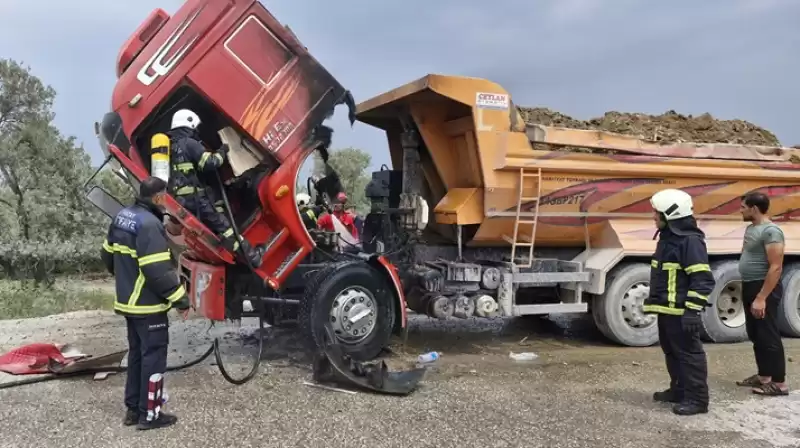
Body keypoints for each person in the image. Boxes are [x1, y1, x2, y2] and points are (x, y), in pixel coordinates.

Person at [100, 176, 190, 430]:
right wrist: (180, 300)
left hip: (129, 303)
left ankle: (133, 409)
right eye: (165, 197)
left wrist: (125, 278)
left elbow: (107, 254)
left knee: (138, 356)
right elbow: (157, 271)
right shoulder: (150, 225)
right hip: (148, 306)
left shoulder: (122, 217)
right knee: (153, 359)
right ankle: (150, 415)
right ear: (159, 197)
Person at [643, 188, 716, 416]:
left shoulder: (690, 242)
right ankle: (680, 390)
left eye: (657, 213)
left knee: (689, 355)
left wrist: (692, 311)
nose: (653, 217)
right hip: (666, 310)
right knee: (672, 352)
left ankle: (697, 400)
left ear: (670, 214)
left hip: (682, 312)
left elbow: (702, 280)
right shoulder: (668, 239)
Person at [166, 109, 263, 267]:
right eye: (195, 128)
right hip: (196, 199)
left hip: (183, 201)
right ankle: (253, 258)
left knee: (217, 226)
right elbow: (211, 163)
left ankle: (238, 257)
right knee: (225, 228)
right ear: (189, 124)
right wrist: (222, 151)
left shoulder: (172, 147)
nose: (196, 132)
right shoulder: (188, 143)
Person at [736, 192, 789, 396]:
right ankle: (764, 376)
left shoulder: (771, 231)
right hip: (750, 285)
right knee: (756, 333)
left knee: (769, 335)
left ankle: (779, 383)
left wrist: (761, 297)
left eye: (743, 207)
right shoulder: (752, 228)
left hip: (764, 288)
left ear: (754, 209)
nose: (740, 210)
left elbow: (776, 266)